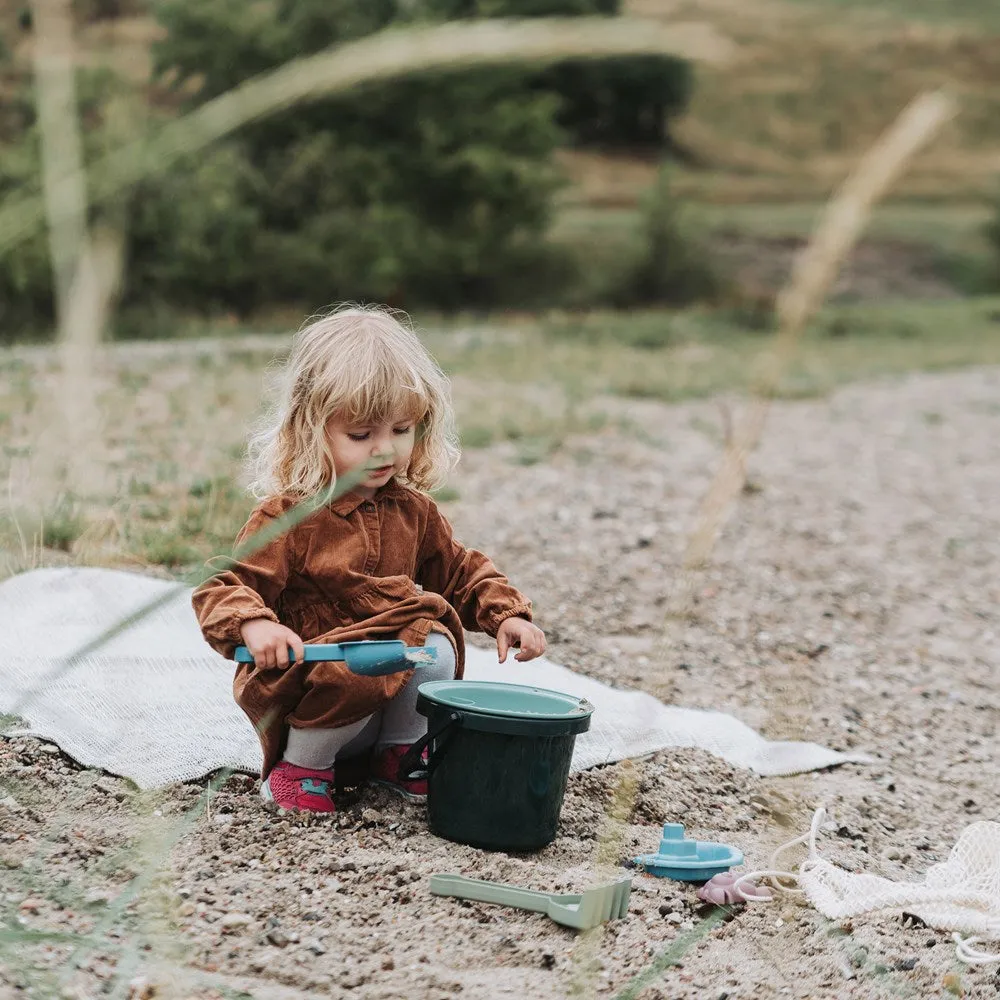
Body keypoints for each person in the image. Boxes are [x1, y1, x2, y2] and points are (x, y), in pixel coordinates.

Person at [192, 304, 546, 813]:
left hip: (385, 701)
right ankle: (301, 770)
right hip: (313, 692)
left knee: (434, 642)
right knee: (366, 661)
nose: (385, 450)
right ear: (312, 429)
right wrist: (254, 626)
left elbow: (459, 571)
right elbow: (222, 586)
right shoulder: (289, 518)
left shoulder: (413, 511)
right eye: (361, 436)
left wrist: (506, 612)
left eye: (401, 430)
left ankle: (397, 755)